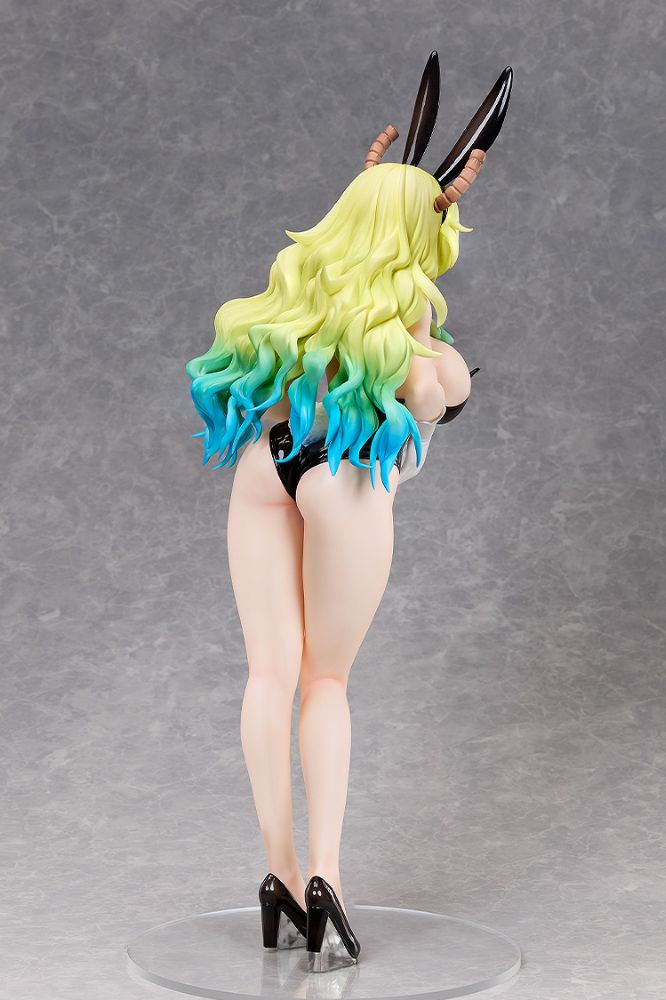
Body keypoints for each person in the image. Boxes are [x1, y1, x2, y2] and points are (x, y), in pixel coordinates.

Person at [186, 52, 512, 971]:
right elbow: (442, 391)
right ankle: (325, 878)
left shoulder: (303, 288)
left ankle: (280, 876)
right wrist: (430, 325)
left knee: (267, 674)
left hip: (270, 463)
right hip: (347, 480)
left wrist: (390, 199)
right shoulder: (409, 335)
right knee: (324, 682)